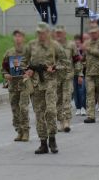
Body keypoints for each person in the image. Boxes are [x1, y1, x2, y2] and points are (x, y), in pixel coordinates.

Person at [23, 22, 66, 154]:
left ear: (48, 33)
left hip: (50, 83)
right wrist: (27, 70)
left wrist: (54, 68)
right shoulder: (31, 45)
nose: (41, 35)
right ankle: (43, 143)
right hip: (36, 84)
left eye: (43, 32)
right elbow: (23, 62)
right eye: (39, 33)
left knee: (51, 111)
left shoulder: (55, 46)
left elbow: (65, 62)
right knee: (39, 114)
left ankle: (52, 139)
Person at [1, 30, 31, 142]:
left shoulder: (28, 52)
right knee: (15, 109)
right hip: (13, 85)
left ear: (23, 38)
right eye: (16, 36)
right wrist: (6, 74)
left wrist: (29, 72)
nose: (18, 38)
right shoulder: (9, 53)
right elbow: (3, 68)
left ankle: (26, 131)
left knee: (23, 108)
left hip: (24, 84)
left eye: (20, 36)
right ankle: (19, 131)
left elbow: (34, 65)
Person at [54, 25, 79, 132]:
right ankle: (60, 121)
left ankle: (67, 121)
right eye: (57, 33)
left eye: (60, 33)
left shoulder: (71, 45)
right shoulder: (52, 45)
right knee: (57, 100)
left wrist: (79, 73)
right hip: (55, 77)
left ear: (64, 34)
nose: (58, 35)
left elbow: (77, 59)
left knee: (66, 98)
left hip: (68, 76)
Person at [83, 25, 99, 123]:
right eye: (91, 33)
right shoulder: (87, 43)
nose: (93, 34)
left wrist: (88, 49)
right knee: (90, 94)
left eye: (95, 32)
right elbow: (84, 57)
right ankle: (90, 116)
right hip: (89, 73)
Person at [73, 35, 87, 116]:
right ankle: (78, 107)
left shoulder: (84, 51)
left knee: (82, 90)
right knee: (75, 91)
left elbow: (84, 61)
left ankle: (83, 107)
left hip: (82, 73)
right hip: (74, 73)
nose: (77, 44)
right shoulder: (72, 51)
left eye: (79, 43)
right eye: (76, 42)